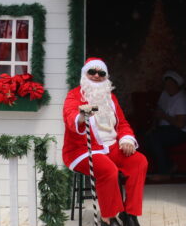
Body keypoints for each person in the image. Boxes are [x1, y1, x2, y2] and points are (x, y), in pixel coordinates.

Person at [62, 58, 148, 226]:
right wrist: (81, 116)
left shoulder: (110, 98)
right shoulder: (74, 95)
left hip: (111, 147)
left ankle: (129, 214)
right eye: (92, 72)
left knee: (139, 162)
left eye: (101, 73)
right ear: (84, 74)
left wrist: (126, 139)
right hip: (82, 150)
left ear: (106, 77)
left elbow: (122, 123)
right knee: (108, 170)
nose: (96, 76)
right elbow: (70, 117)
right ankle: (107, 217)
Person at [144, 70, 186, 180]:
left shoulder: (181, 99)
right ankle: (169, 165)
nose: (168, 87)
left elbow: (180, 124)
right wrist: (153, 127)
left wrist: (165, 116)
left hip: (179, 132)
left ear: (177, 85)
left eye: (171, 84)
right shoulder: (165, 94)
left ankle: (164, 173)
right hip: (164, 128)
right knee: (147, 138)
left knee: (156, 138)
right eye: (166, 84)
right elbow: (158, 111)